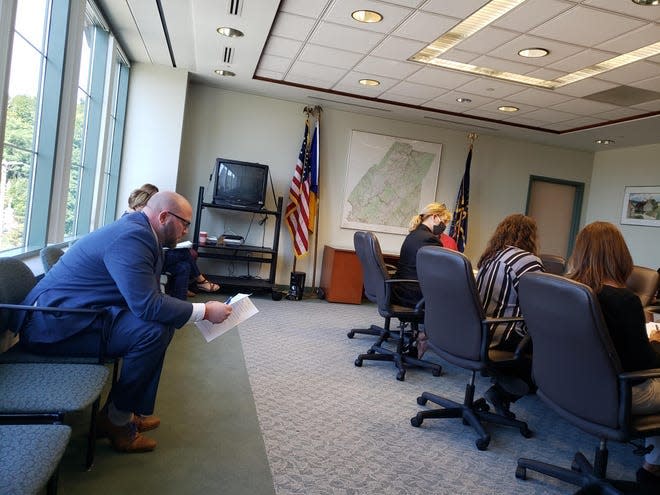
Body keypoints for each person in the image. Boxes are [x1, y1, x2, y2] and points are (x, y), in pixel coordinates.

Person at [16, 191, 232, 453]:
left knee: (157, 328)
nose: (186, 231)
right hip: (53, 324)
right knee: (152, 332)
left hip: (80, 313)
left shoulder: (143, 233)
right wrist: (206, 311)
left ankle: (123, 413)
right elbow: (148, 304)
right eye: (184, 223)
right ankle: (116, 421)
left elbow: (146, 296)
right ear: (164, 216)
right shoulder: (133, 236)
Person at [567, 221, 660, 490]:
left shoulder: (568, 290)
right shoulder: (624, 300)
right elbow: (643, 366)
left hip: (568, 384)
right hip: (614, 393)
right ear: (620, 254)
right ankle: (652, 468)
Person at [475, 213, 544, 415]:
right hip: (502, 335)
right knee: (552, 347)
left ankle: (506, 380)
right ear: (530, 236)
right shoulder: (527, 260)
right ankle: (503, 391)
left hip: (479, 332)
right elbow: (540, 305)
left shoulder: (490, 255)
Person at [126, 184, 220, 300]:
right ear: (142, 203)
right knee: (185, 253)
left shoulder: (145, 223)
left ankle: (180, 302)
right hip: (153, 258)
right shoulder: (133, 225)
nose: (156, 204)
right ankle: (200, 280)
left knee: (184, 266)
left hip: (160, 254)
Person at [392, 202, 450, 358]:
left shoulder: (414, 234)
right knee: (453, 300)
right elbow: (438, 273)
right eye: (444, 222)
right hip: (413, 295)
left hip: (400, 291)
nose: (444, 226)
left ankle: (421, 333)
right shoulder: (431, 240)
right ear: (435, 217)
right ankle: (425, 336)